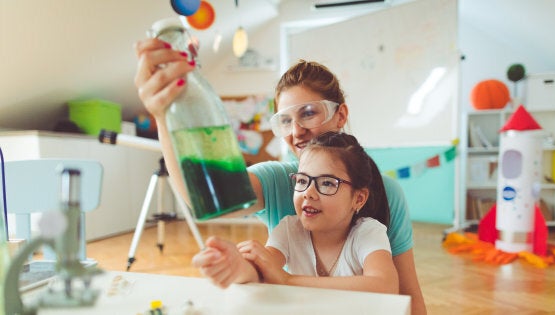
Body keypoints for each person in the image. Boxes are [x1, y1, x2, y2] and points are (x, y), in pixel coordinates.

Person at [134, 38, 427, 314]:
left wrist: (284, 280)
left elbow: (405, 290)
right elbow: (206, 200)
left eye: (308, 113)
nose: (296, 131)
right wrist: (165, 113)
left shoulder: (382, 199)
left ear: (340, 115)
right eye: (285, 120)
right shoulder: (280, 185)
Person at [192, 132, 399, 293]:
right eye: (302, 180)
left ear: (359, 198)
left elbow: (384, 286)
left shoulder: (367, 232)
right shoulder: (290, 229)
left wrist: (287, 280)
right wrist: (236, 266)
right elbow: (262, 269)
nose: (308, 193)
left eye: (327, 183)